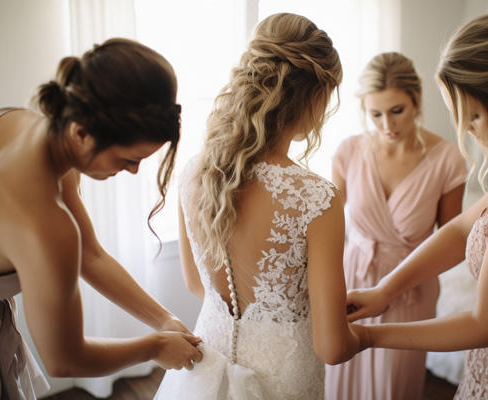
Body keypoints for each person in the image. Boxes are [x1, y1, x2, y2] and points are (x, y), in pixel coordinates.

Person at [346, 12, 488, 399]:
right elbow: (460, 228)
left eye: (471, 116)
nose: (468, 130)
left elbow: (486, 324)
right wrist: (385, 290)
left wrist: (371, 336)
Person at [154, 13, 369, 400]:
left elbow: (194, 283)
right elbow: (332, 347)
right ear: (315, 95)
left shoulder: (194, 172)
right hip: (285, 379)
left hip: (207, 366)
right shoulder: (316, 198)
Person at [0, 38, 203, 400]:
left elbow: (91, 255)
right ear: (82, 133)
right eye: (128, 159)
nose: (133, 172)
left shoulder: (29, 125)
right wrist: (154, 347)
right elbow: (64, 361)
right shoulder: (44, 222)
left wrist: (164, 320)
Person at [325, 52, 468, 400]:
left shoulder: (447, 158)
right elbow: (325, 228)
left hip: (410, 287)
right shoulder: (347, 152)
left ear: (415, 100)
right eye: (375, 114)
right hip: (351, 275)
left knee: (393, 385)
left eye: (396, 111)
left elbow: (454, 240)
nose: (387, 124)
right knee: (341, 375)